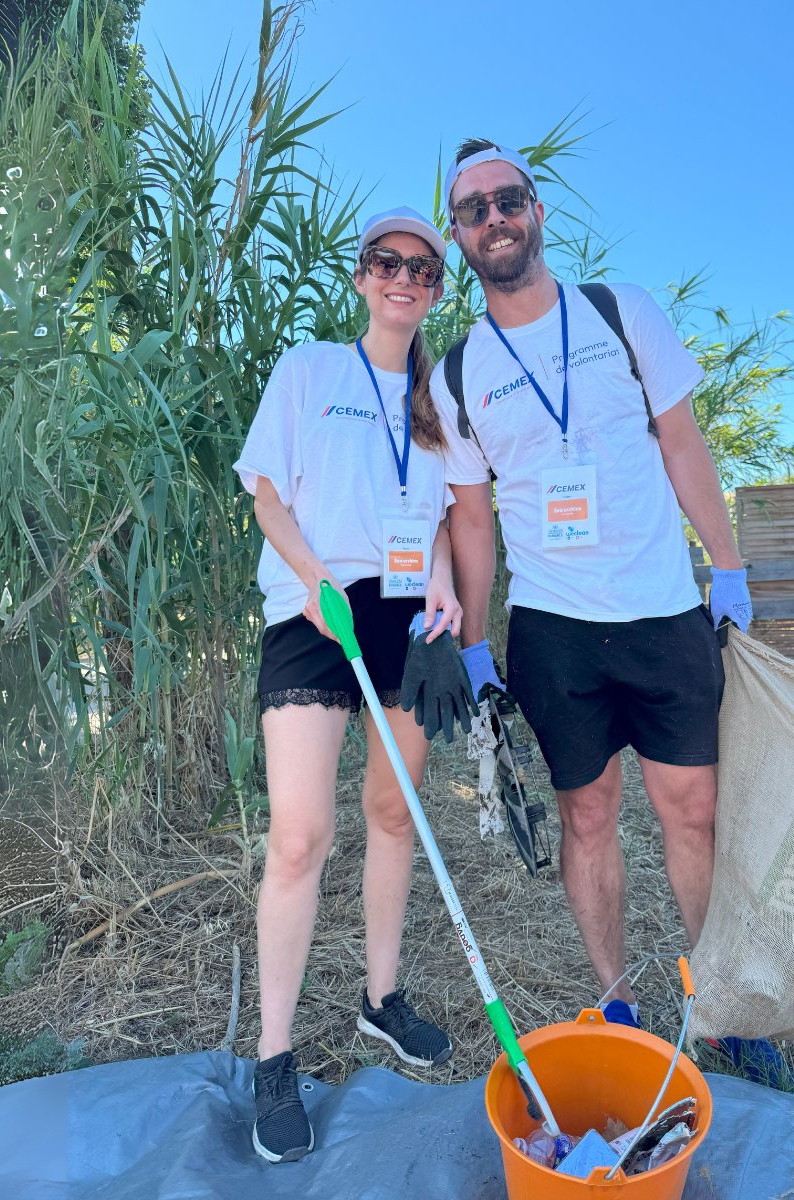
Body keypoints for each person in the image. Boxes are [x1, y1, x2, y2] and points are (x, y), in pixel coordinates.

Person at [430, 141, 788, 1086]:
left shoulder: (619, 313)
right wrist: (474, 643)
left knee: (693, 812)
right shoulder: (458, 373)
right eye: (473, 210)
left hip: (665, 611)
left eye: (508, 198)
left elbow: (683, 442)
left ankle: (717, 1006)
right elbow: (471, 520)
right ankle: (619, 1000)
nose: (494, 218)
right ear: (461, 236)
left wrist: (731, 565)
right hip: (552, 631)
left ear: (537, 209)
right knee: (587, 816)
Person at [233, 207, 464, 1163]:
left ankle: (381, 998)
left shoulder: (438, 397)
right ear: (362, 275)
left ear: (436, 289)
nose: (405, 277)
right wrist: (318, 579)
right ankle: (274, 1056)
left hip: (404, 617)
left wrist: (445, 584)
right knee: (300, 835)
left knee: (392, 812)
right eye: (388, 262)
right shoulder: (311, 369)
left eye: (422, 267)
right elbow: (264, 490)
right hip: (312, 612)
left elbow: (445, 510)